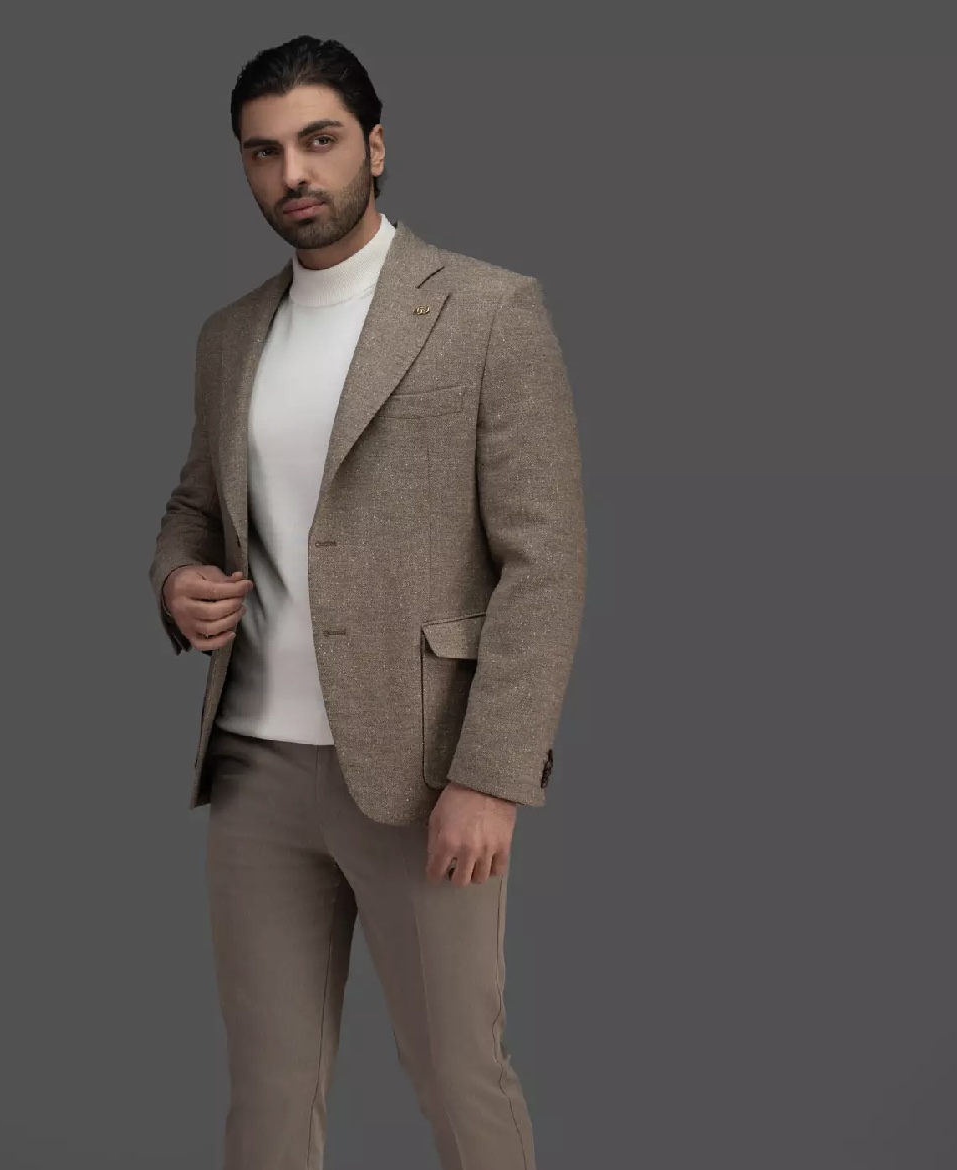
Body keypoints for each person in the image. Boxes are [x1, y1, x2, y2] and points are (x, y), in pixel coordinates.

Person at [147, 34, 586, 1170]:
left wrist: (491, 776)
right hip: (254, 770)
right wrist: (178, 582)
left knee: (458, 1077)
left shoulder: (489, 310)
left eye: (319, 140)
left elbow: (545, 560)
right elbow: (196, 506)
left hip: (421, 773)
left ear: (376, 147)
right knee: (267, 1093)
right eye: (264, 152)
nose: (293, 172)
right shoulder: (229, 336)